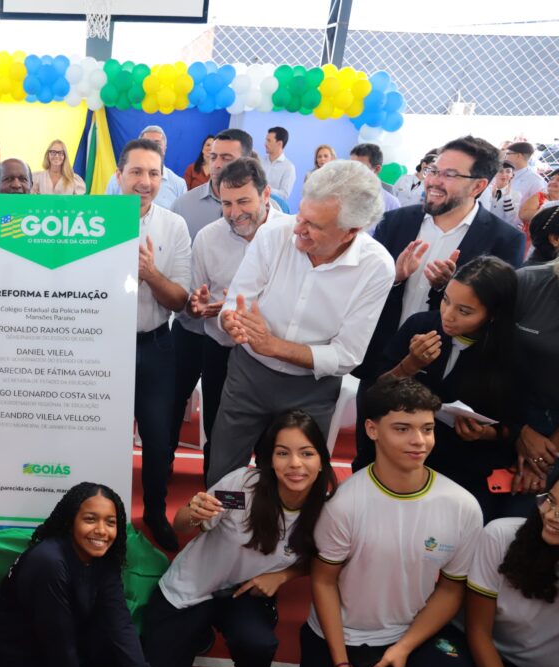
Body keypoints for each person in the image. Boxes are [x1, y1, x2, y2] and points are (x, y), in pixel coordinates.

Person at [206, 160, 394, 487]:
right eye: (300, 215)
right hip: (248, 374)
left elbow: (347, 356)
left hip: (311, 389)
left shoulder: (376, 267)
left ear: (352, 231)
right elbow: (236, 303)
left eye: (313, 225)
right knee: (224, 472)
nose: (297, 228)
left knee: (297, 481)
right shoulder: (273, 234)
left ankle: (281, 537)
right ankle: (223, 531)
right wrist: (231, 322)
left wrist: (275, 346)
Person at [352, 135, 526, 467]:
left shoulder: (505, 240)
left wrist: (454, 287)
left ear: (478, 186)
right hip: (383, 362)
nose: (432, 180)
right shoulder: (396, 221)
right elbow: (360, 293)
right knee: (367, 458)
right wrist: (394, 278)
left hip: (451, 380)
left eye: (448, 174)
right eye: (433, 169)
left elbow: (497, 310)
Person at [299, 377, 483, 667]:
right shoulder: (343, 504)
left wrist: (404, 647)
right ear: (372, 430)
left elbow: (451, 589)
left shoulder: (463, 506)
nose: (419, 441)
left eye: (427, 428)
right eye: (402, 429)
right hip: (339, 638)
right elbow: (323, 583)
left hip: (412, 633)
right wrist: (342, 665)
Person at [144, 410, 337, 667]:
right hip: (191, 587)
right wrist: (192, 511)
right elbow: (182, 525)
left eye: (306, 453)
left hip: (244, 593)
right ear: (270, 459)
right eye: (283, 453)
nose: (295, 464)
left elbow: (323, 559)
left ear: (321, 461)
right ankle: (197, 631)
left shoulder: (326, 510)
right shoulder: (243, 489)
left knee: (258, 645)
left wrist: (283, 575)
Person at [376, 256, 519, 518]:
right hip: (400, 458)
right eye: (446, 300)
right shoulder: (421, 326)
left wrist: (485, 434)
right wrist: (410, 364)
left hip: (463, 470)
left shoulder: (510, 355)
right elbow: (375, 394)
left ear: (493, 315)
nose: (448, 315)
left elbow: (517, 427)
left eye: (464, 311)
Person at [0, 482, 155, 667]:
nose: (101, 531)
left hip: (66, 622)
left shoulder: (104, 555)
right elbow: (58, 641)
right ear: (71, 522)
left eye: (110, 522)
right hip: (18, 638)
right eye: (90, 519)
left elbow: (120, 620)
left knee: (121, 651)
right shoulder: (49, 562)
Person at [186, 158, 294, 477]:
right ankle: (216, 514)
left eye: (243, 201)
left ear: (267, 194)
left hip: (275, 359)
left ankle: (267, 518)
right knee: (220, 442)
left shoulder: (292, 236)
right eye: (226, 204)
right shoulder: (208, 238)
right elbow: (194, 302)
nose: (234, 213)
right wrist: (200, 306)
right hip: (221, 353)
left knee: (273, 443)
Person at [117, 138, 192, 551]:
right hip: (102, 347)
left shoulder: (174, 225)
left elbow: (180, 299)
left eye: (153, 174)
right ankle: (103, 512)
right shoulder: (94, 219)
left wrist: (151, 274)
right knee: (101, 435)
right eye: (136, 172)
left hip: (156, 346)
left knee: (159, 439)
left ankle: (155, 512)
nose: (145, 182)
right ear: (119, 175)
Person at [465, 469, 559, 667]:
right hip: (485, 655)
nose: (552, 515)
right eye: (551, 501)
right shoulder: (500, 536)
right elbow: (478, 631)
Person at [511, 257, 559, 497]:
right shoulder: (526, 281)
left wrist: (544, 457)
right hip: (504, 415)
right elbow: (490, 359)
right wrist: (519, 429)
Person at [106, 125, 187, 209]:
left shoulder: (178, 184)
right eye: (146, 143)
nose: (151, 148)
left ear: (164, 149)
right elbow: (108, 210)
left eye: (157, 144)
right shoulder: (117, 179)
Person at [349, 143, 402, 223]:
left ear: (377, 169)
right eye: (351, 166)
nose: (354, 172)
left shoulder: (391, 204)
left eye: (360, 168)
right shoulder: (339, 192)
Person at [479, 161, 523, 229]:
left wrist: (507, 196)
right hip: (480, 225)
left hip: (498, 229)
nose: (504, 174)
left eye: (508, 171)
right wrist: (491, 197)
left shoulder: (516, 195)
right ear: (495, 173)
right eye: (500, 171)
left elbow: (510, 217)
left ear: (512, 175)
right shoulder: (486, 189)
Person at [504, 142, 546, 207]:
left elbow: (539, 205)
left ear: (518, 156)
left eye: (508, 154)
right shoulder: (504, 172)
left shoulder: (536, 181)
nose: (505, 157)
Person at [261, 126, 296, 202]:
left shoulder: (289, 167)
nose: (265, 144)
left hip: (272, 208)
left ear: (279, 144)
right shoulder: (260, 161)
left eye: (269, 141)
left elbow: (284, 195)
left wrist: (264, 188)